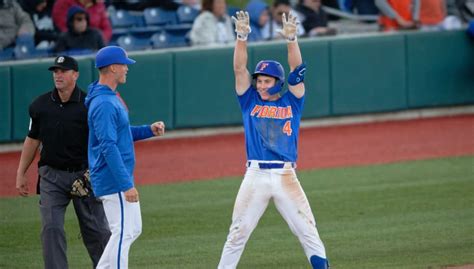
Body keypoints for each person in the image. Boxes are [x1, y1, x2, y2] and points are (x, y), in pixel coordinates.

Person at [217, 10, 329, 269]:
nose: (261, 85)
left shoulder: (293, 101)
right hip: (255, 175)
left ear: (278, 83)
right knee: (237, 234)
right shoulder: (248, 100)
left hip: (286, 176)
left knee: (308, 232)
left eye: (267, 81)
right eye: (259, 80)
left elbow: (296, 70)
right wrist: (242, 37)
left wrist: (292, 41)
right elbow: (238, 68)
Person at [15, 55, 110, 269]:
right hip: (52, 176)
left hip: (84, 175)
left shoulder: (89, 105)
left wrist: (95, 172)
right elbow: (32, 139)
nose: (58, 75)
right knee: (51, 228)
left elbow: (101, 142)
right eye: (55, 71)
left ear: (75, 75)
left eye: (63, 71)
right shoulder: (40, 105)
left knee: (96, 230)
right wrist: (21, 172)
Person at [85, 46, 166, 269]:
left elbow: (121, 133)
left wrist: (148, 130)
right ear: (113, 67)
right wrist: (125, 184)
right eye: (124, 65)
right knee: (122, 232)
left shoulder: (108, 97)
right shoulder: (103, 103)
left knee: (132, 229)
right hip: (113, 179)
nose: (127, 69)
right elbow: (108, 146)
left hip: (114, 177)